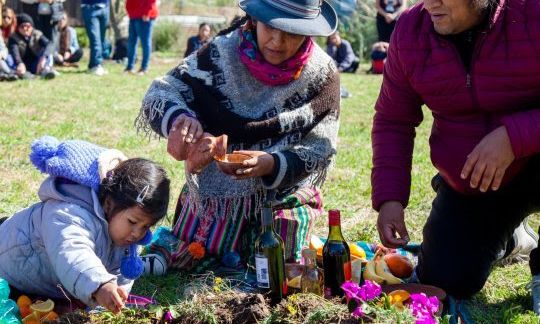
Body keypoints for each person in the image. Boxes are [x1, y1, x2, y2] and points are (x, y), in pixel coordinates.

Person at [136, 0, 340, 272]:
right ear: (254, 19)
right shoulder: (220, 53)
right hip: (217, 191)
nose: (277, 41)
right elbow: (162, 92)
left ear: (308, 31)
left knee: (279, 256)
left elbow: (319, 149)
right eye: (270, 26)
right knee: (201, 246)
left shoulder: (322, 74)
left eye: (291, 32)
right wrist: (180, 120)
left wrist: (271, 163)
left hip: (285, 193)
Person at [371, 0, 540, 313]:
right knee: (445, 278)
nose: (430, 3)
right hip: (477, 179)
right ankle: (511, 238)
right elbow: (394, 119)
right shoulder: (411, 30)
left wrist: (514, 137)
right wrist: (390, 197)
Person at [0, 136, 170, 313]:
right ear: (109, 204)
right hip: (7, 265)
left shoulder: (124, 236)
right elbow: (73, 253)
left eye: (145, 226)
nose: (137, 233)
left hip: (46, 282)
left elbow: (119, 276)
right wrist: (100, 285)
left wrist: (115, 297)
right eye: (133, 222)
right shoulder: (68, 214)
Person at [8, 13, 57, 79]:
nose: (25, 29)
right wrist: (20, 63)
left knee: (49, 53)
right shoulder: (14, 38)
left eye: (28, 26)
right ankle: (20, 74)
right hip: (22, 64)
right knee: (9, 58)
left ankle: (46, 71)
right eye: (22, 26)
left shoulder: (37, 34)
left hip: (37, 64)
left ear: (32, 27)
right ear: (18, 28)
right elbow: (14, 52)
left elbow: (50, 44)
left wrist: (44, 57)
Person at [124, 0, 158, 75]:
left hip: (144, 15)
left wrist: (147, 12)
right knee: (131, 42)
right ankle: (129, 67)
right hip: (133, 15)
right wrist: (128, 10)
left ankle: (144, 68)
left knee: (145, 43)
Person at [81, 0, 109, 76]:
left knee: (101, 39)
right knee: (95, 39)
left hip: (104, 7)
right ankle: (97, 65)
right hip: (90, 8)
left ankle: (93, 65)